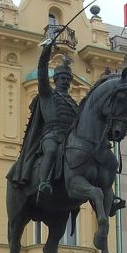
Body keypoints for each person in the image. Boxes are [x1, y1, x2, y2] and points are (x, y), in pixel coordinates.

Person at [12, 33, 79, 202]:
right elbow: (42, 74)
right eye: (62, 78)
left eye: (67, 79)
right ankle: (43, 183)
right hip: (51, 136)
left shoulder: (73, 103)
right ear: (55, 80)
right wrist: (45, 53)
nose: (65, 81)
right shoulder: (48, 94)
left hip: (69, 139)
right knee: (50, 151)